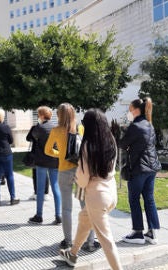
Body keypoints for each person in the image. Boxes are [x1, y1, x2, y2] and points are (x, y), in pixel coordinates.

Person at [59, 109, 123, 269]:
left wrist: (76, 177)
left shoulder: (87, 146)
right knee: (84, 220)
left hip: (96, 196)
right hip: (111, 193)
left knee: (106, 241)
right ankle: (72, 254)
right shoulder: (111, 140)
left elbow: (83, 179)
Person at [45, 103, 98, 250]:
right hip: (80, 171)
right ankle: (90, 242)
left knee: (66, 208)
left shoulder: (56, 131)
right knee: (86, 207)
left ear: (59, 115)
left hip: (64, 171)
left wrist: (61, 155)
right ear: (73, 114)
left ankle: (68, 241)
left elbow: (48, 150)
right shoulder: (80, 128)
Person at [119, 98, 161, 245]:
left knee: (134, 199)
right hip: (152, 167)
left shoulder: (135, 126)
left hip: (139, 168)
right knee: (149, 199)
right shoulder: (150, 124)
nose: (129, 112)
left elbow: (122, 144)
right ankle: (152, 232)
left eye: (130, 109)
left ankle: (137, 233)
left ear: (136, 110)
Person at [27, 106, 61, 225]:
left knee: (40, 189)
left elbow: (30, 138)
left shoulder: (39, 127)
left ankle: (39, 215)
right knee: (56, 187)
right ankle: (58, 215)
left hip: (41, 161)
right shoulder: (56, 127)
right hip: (54, 160)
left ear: (41, 116)